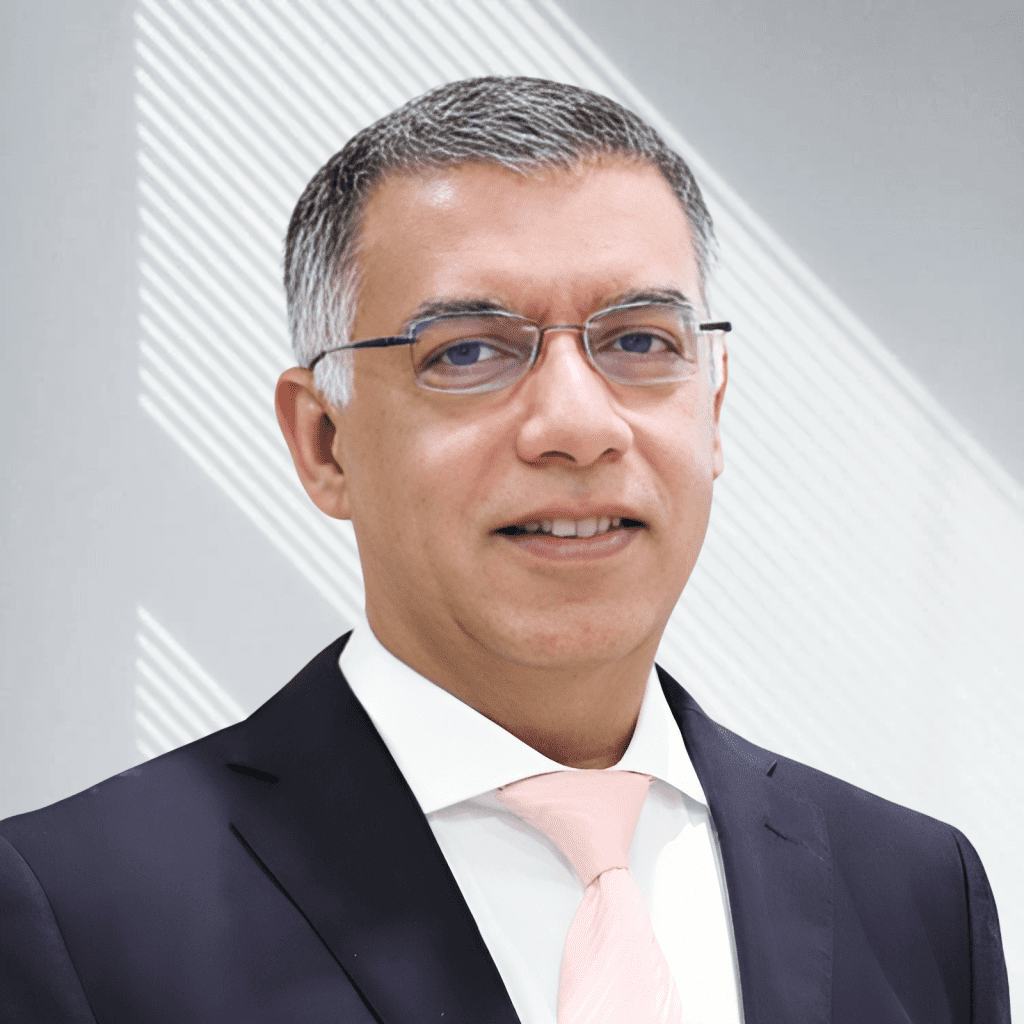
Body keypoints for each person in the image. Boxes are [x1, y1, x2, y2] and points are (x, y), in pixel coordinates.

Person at [0, 76, 1009, 1024]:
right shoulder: (79, 914)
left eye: (640, 342)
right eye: (468, 352)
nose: (577, 425)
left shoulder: (913, 892)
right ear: (325, 442)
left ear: (714, 408)